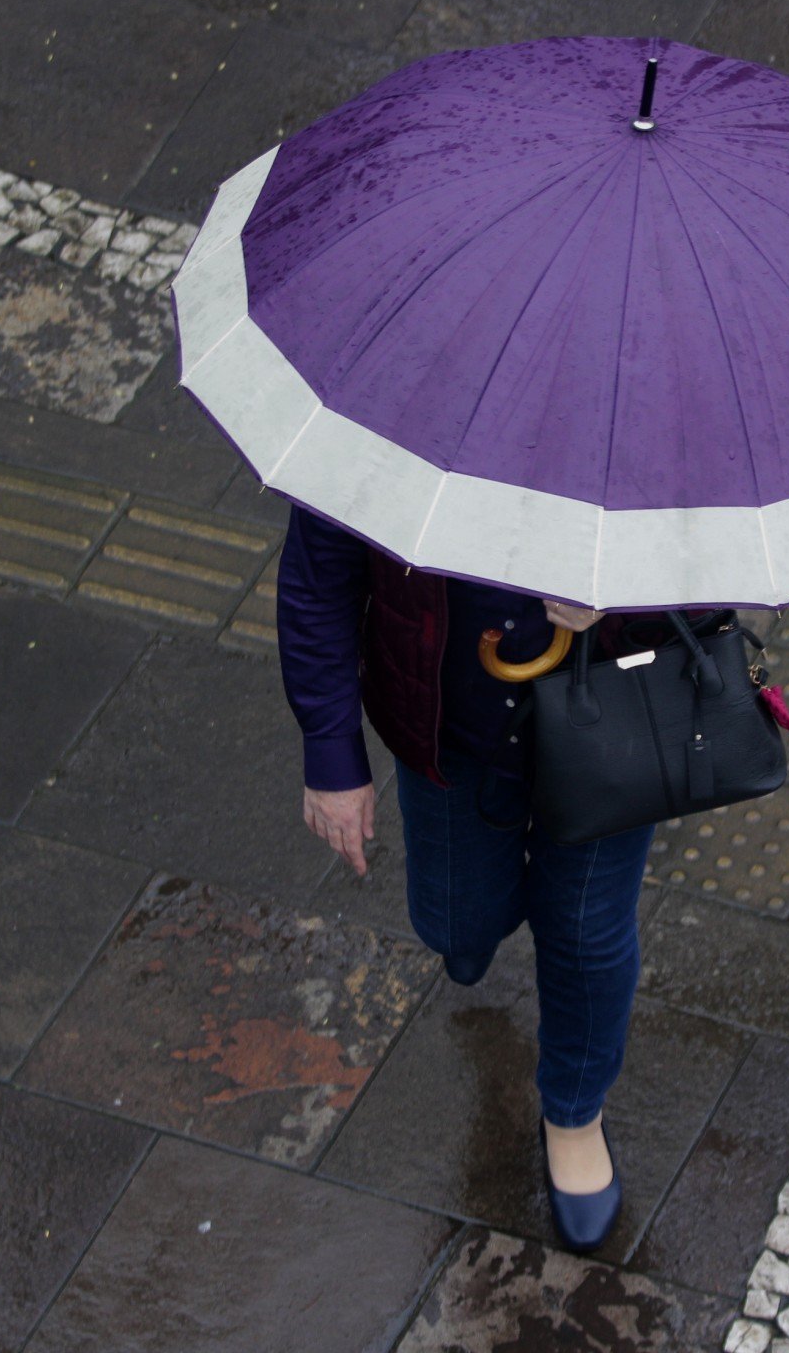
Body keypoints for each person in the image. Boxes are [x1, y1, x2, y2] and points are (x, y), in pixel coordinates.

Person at [276, 501, 659, 1253]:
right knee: (455, 922)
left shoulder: (663, 410)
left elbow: (717, 575)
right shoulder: (395, 396)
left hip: (612, 730)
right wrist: (330, 750)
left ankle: (574, 1113)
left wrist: (624, 596)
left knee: (585, 930)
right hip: (449, 725)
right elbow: (319, 576)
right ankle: (488, 912)